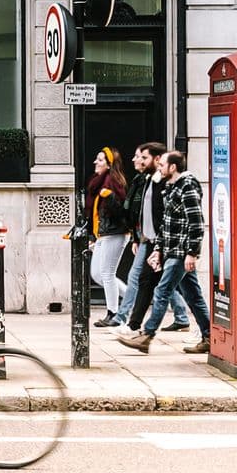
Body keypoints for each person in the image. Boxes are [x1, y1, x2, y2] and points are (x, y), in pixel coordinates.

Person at [118, 151, 211, 354]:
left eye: (163, 165)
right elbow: (166, 224)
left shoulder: (187, 187)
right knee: (193, 295)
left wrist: (192, 253)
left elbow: (196, 223)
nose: (159, 167)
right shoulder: (170, 187)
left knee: (161, 291)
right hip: (171, 250)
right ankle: (209, 336)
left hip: (180, 252)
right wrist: (158, 250)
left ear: (173, 167)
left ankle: (147, 336)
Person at [111, 142, 190, 333]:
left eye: (143, 157)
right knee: (158, 284)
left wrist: (164, 246)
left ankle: (137, 326)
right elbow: (142, 213)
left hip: (165, 244)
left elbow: (179, 219)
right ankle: (185, 321)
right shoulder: (148, 180)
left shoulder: (171, 185)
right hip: (151, 241)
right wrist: (138, 238)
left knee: (153, 284)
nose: (138, 160)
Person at [85, 146, 129, 327]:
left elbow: (121, 210)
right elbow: (94, 214)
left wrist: (110, 197)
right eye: (97, 159)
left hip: (115, 233)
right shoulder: (98, 182)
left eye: (101, 160)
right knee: (97, 274)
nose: (96, 162)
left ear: (110, 164)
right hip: (102, 234)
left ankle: (114, 313)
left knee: (107, 274)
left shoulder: (114, 182)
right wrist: (93, 236)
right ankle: (132, 297)